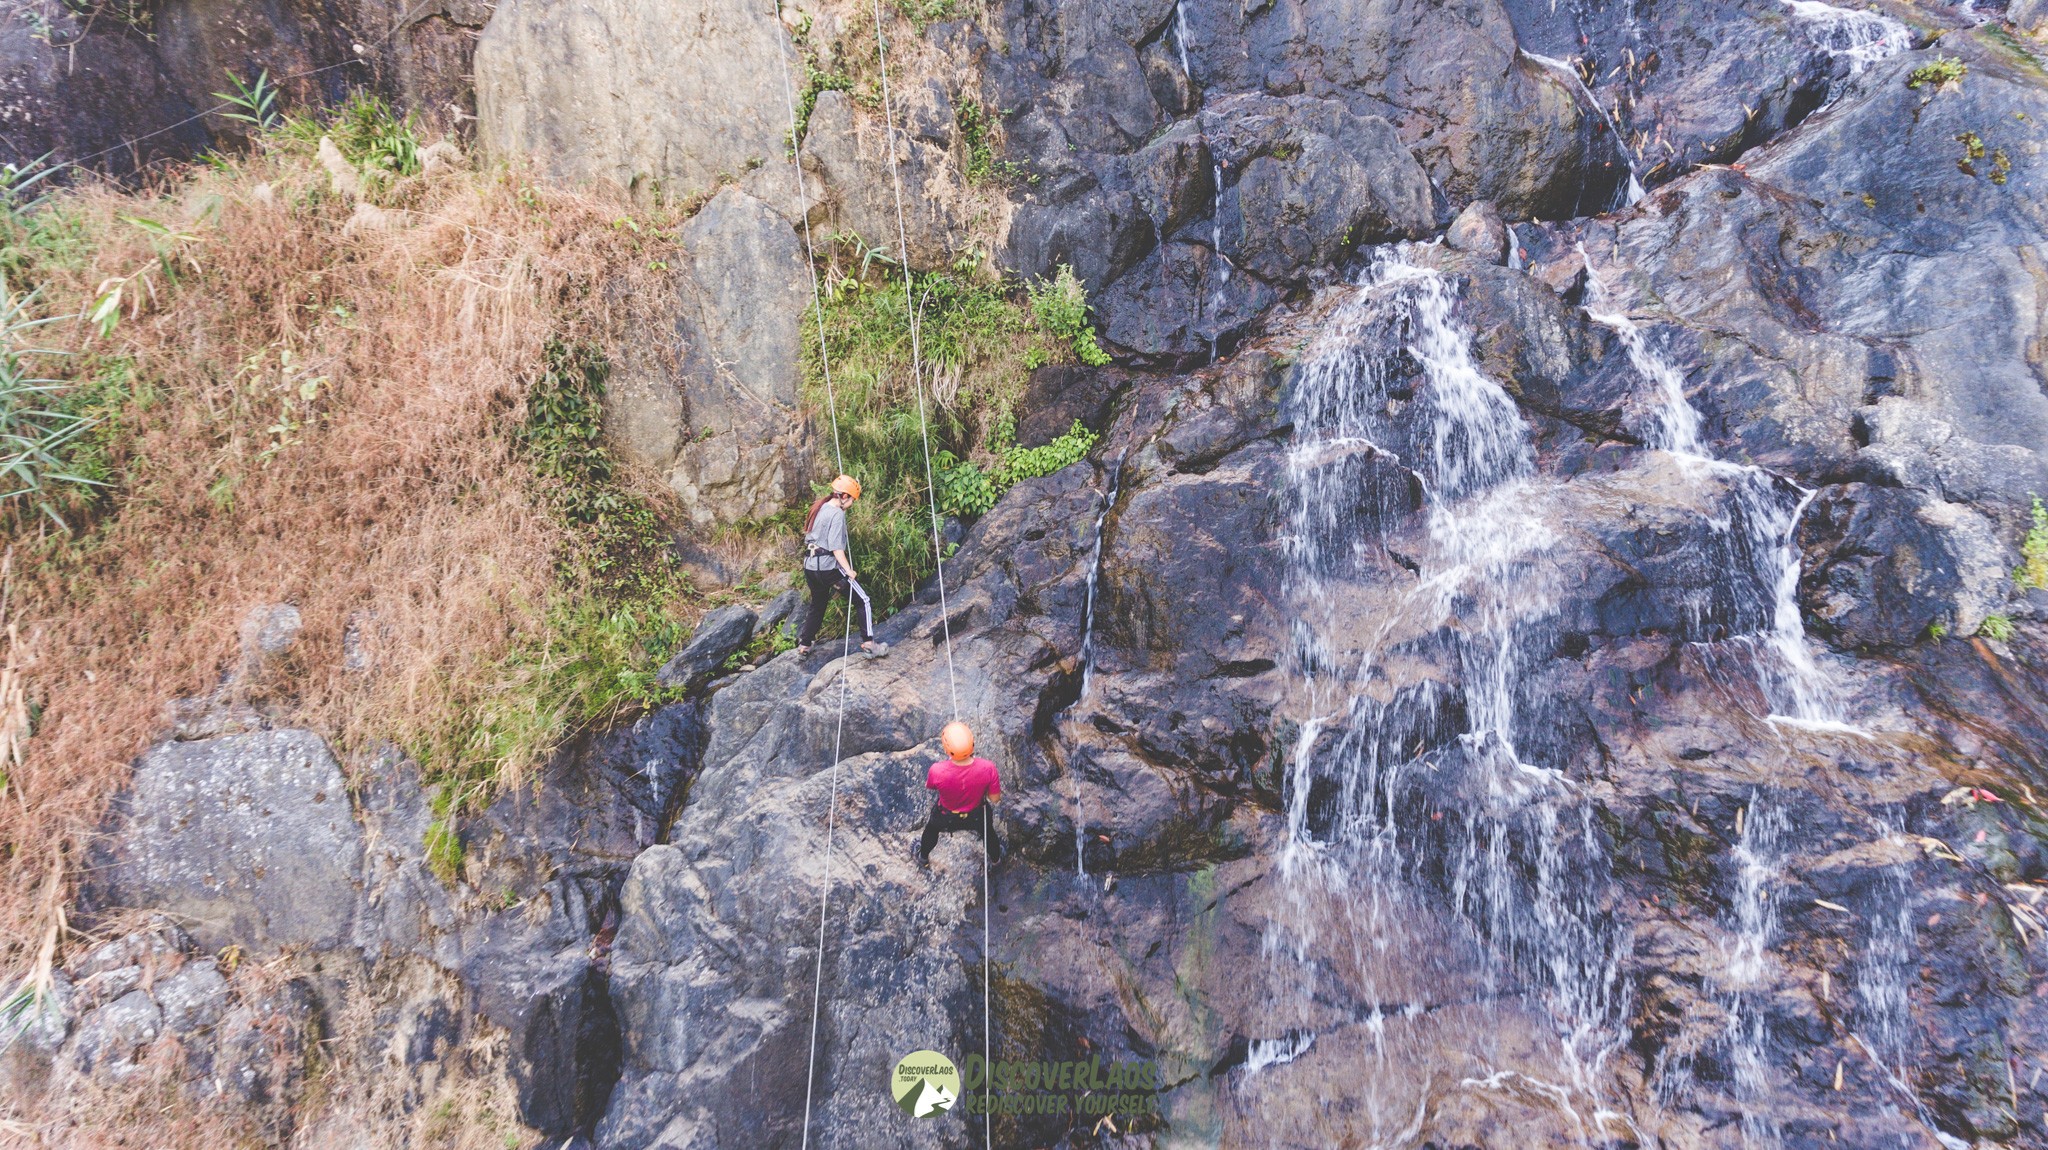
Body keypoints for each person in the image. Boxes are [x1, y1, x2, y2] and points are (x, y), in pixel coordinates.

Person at [798, 474, 887, 657]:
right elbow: (836, 548)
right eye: (852, 500)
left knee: (818, 603)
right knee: (863, 600)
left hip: (810, 567)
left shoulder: (819, 507)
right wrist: (848, 571)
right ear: (845, 496)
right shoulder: (837, 513)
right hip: (828, 568)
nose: (852, 504)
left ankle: (805, 645)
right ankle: (869, 643)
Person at [915, 721, 1003, 867]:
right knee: (989, 833)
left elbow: (931, 786)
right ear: (972, 744)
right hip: (977, 815)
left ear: (946, 749)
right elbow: (995, 799)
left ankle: (923, 857)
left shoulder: (937, 770)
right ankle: (996, 860)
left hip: (945, 816)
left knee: (931, 829)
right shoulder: (988, 767)